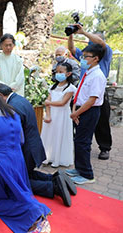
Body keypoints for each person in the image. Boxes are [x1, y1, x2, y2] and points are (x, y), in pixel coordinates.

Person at [0, 83, 51, 233]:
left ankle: (35, 215)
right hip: (17, 160)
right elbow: (21, 140)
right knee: (15, 193)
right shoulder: (13, 113)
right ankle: (34, 208)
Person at [0, 83, 76, 207]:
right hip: (33, 145)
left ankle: (53, 187)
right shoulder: (19, 99)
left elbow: (14, 135)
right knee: (26, 173)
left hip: (27, 149)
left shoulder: (12, 107)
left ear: (0, 95)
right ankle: (55, 178)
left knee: (16, 182)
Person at [68, 24, 113, 160]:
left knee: (102, 122)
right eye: (89, 42)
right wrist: (70, 34)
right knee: (79, 122)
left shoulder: (104, 54)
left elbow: (100, 43)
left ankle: (105, 148)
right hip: (82, 93)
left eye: (93, 40)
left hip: (97, 94)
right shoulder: (85, 56)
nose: (91, 42)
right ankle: (80, 145)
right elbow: (71, 49)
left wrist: (83, 32)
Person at [67, 43, 106, 185]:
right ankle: (79, 169)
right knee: (78, 141)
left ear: (95, 58)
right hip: (80, 110)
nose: (83, 59)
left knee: (83, 142)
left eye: (86, 57)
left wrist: (76, 113)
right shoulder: (88, 73)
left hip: (89, 111)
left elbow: (91, 100)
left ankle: (87, 174)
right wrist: (74, 111)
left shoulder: (97, 76)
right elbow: (79, 95)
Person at [41, 63, 77, 167]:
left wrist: (49, 103)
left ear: (68, 74)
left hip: (62, 115)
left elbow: (62, 103)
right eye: (57, 72)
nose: (58, 74)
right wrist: (48, 115)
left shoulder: (70, 88)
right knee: (49, 135)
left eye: (61, 72)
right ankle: (47, 157)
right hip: (52, 114)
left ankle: (58, 159)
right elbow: (47, 101)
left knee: (59, 135)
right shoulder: (52, 87)